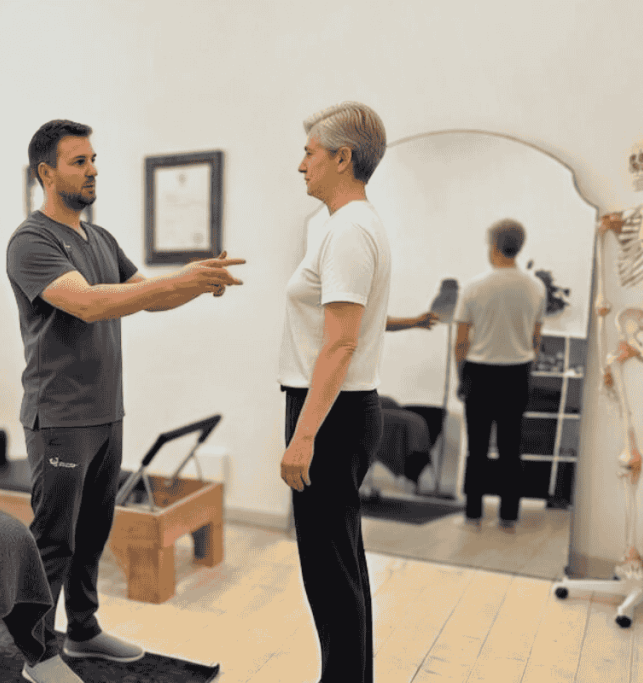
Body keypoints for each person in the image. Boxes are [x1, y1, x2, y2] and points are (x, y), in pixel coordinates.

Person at [6, 119, 244, 683]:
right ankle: (37, 654)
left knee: (94, 530)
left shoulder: (101, 239)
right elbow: (89, 304)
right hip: (59, 416)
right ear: (46, 172)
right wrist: (176, 280)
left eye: (93, 159)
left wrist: (194, 282)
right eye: (78, 161)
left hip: (106, 412)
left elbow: (144, 297)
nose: (92, 170)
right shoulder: (30, 242)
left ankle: (84, 630)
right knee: (54, 539)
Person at [277, 101, 390, 683]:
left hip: (330, 413)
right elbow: (349, 325)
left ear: (342, 158)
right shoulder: (346, 226)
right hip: (339, 407)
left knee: (328, 572)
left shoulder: (348, 231)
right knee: (340, 565)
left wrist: (302, 437)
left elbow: (340, 345)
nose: (301, 165)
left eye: (310, 153)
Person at [453, 218, 546, 532]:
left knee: (476, 448)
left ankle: (473, 513)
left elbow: (461, 341)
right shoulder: (536, 287)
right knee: (511, 448)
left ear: (493, 246)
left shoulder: (473, 287)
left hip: (479, 374)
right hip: (517, 374)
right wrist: (525, 367)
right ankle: (508, 516)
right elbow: (536, 338)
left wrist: (461, 376)